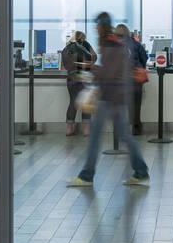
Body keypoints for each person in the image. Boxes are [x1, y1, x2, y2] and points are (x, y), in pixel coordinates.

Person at [68, 13, 149, 188]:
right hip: (117, 94)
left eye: (97, 24)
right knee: (124, 135)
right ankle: (141, 171)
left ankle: (87, 176)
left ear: (101, 25)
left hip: (110, 96)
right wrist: (94, 69)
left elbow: (109, 73)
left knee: (96, 136)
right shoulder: (114, 42)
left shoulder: (108, 43)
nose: (95, 27)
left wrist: (89, 70)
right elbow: (113, 69)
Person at [116, 24, 150, 135]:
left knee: (120, 104)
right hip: (135, 78)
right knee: (136, 104)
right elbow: (144, 57)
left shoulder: (115, 45)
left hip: (121, 79)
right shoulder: (135, 43)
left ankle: (120, 129)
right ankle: (136, 128)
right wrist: (140, 66)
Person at [61, 30, 96, 136]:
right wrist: (89, 64)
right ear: (82, 38)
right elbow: (94, 56)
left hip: (71, 77)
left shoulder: (66, 48)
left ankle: (69, 129)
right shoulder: (85, 44)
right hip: (84, 76)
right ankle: (86, 130)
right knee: (86, 102)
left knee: (73, 102)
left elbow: (65, 64)